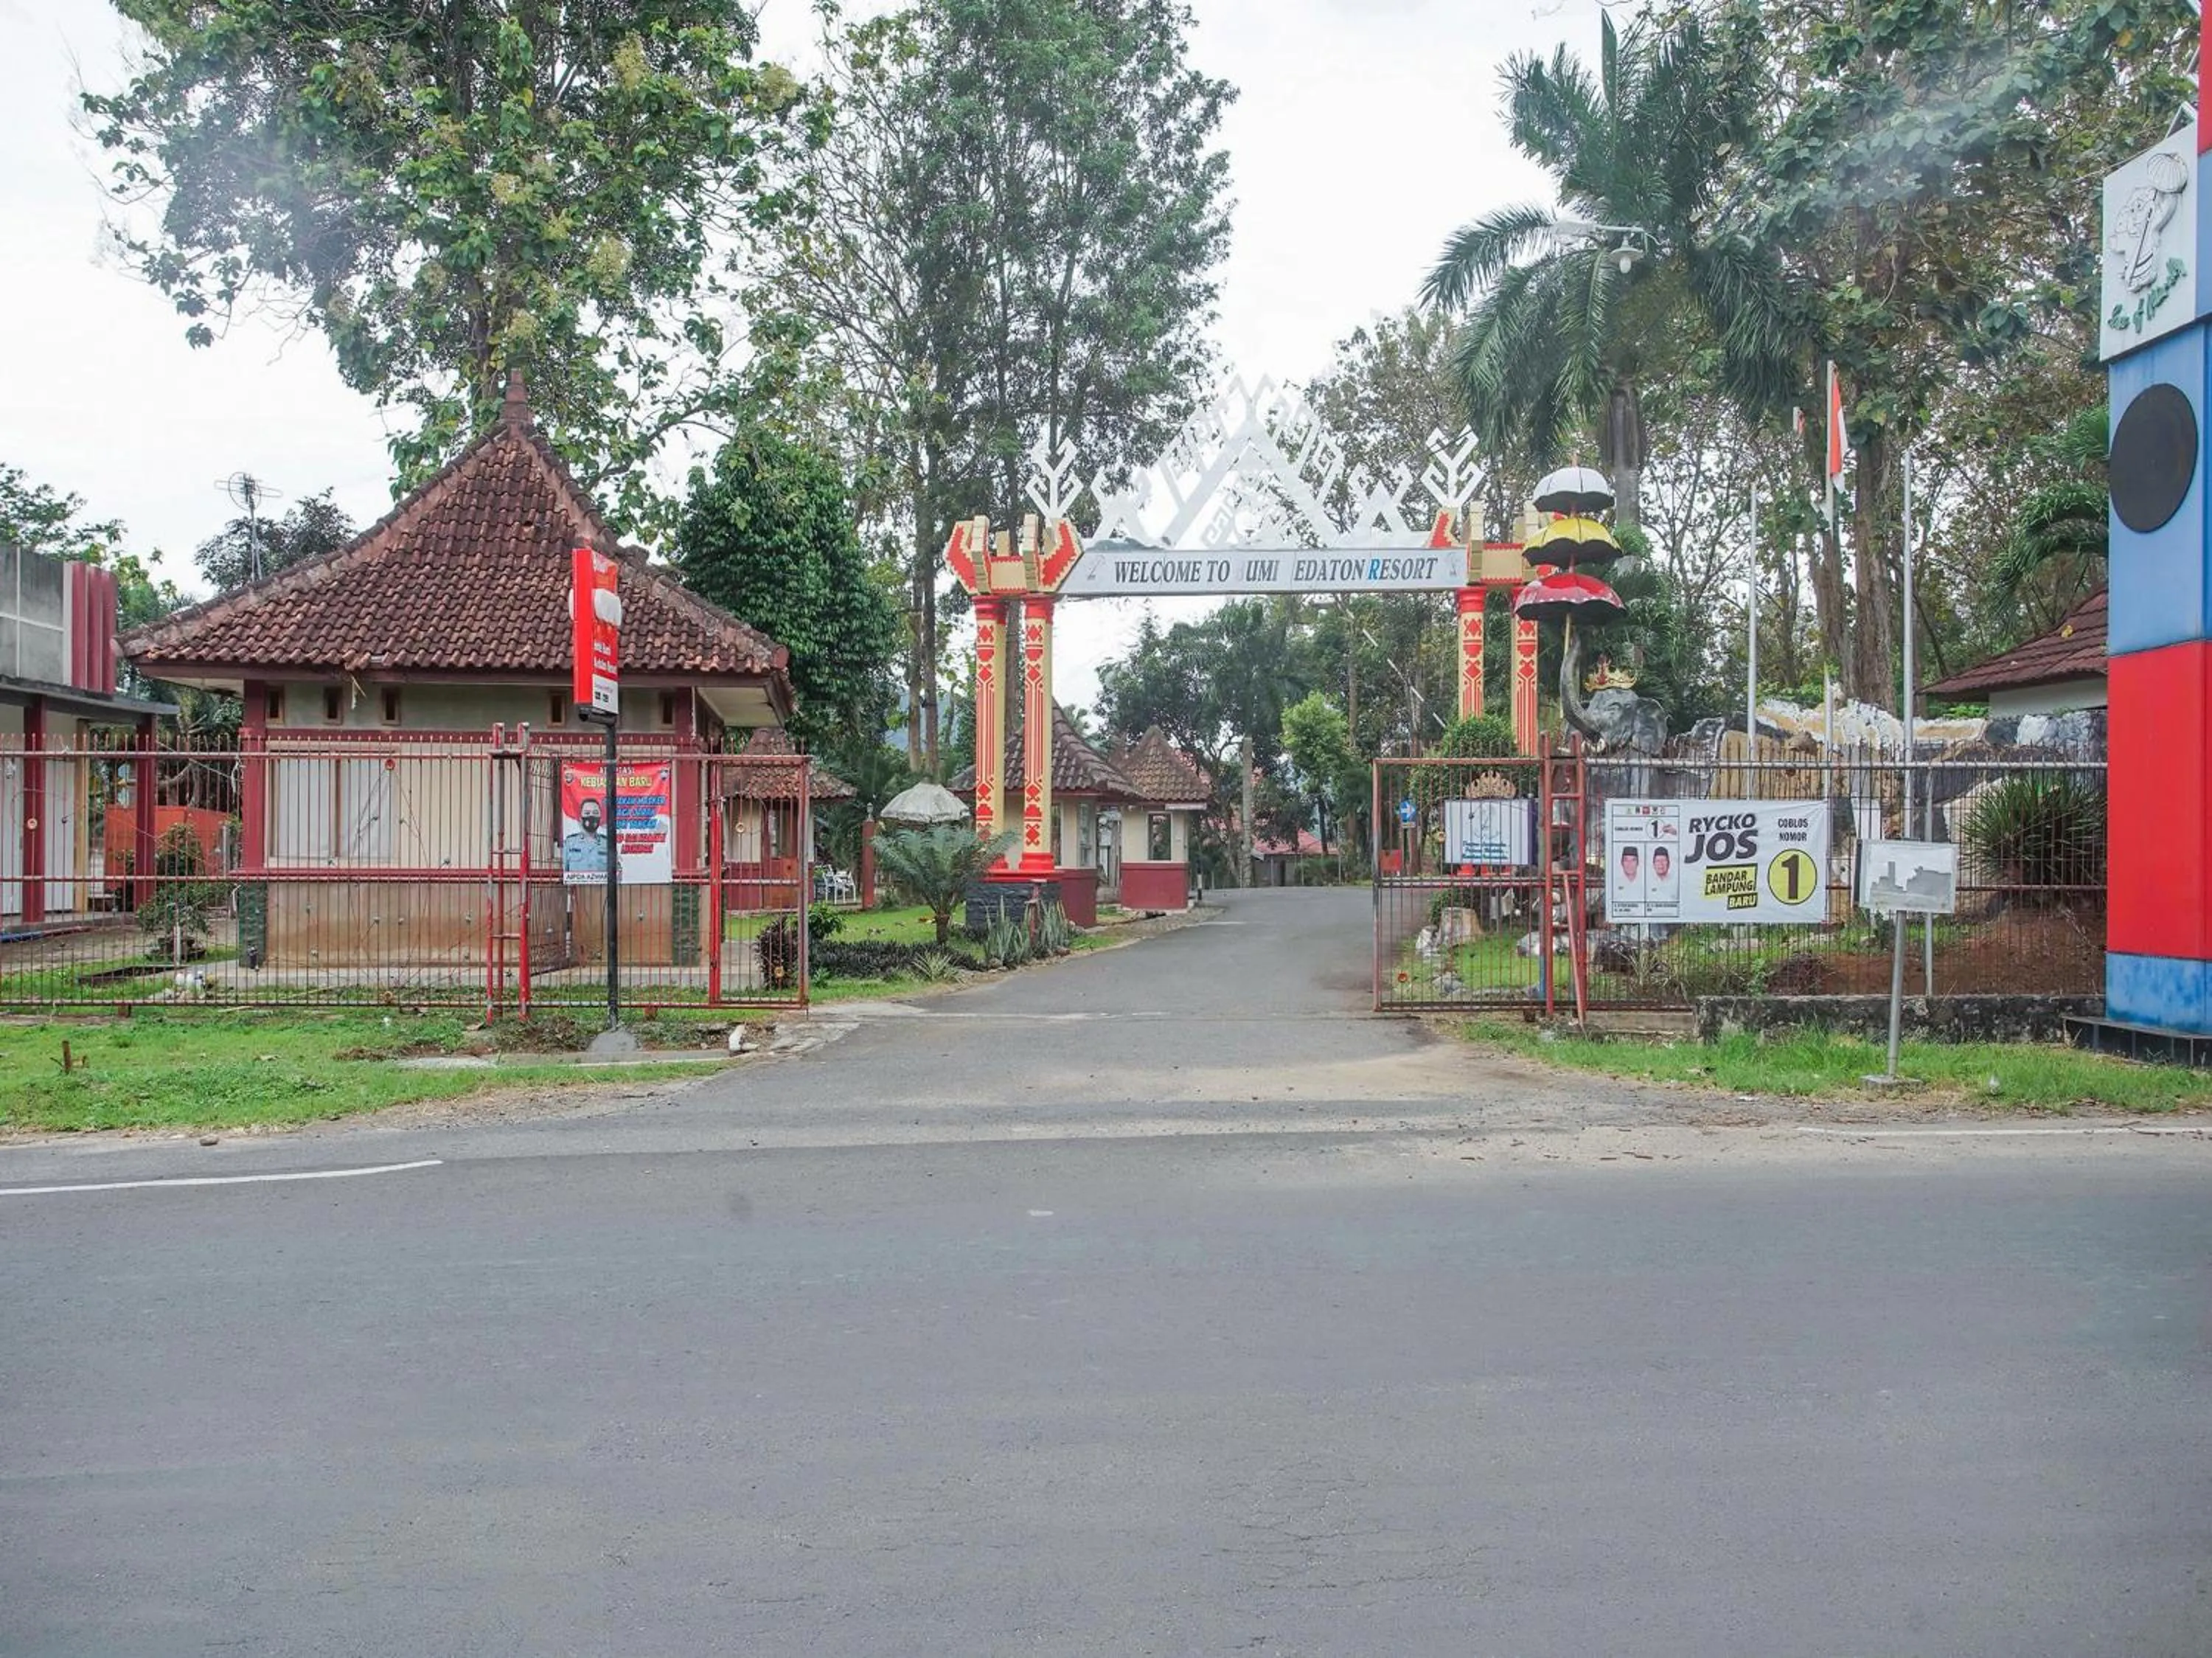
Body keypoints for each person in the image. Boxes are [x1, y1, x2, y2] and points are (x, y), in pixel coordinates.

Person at [563, 797, 609, 876]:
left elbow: (617, 873)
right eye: (587, 813)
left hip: (602, 888)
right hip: (577, 888)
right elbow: (564, 871)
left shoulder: (608, 843)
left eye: (595, 813)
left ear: (600, 818)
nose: (591, 816)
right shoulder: (570, 843)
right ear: (580, 818)